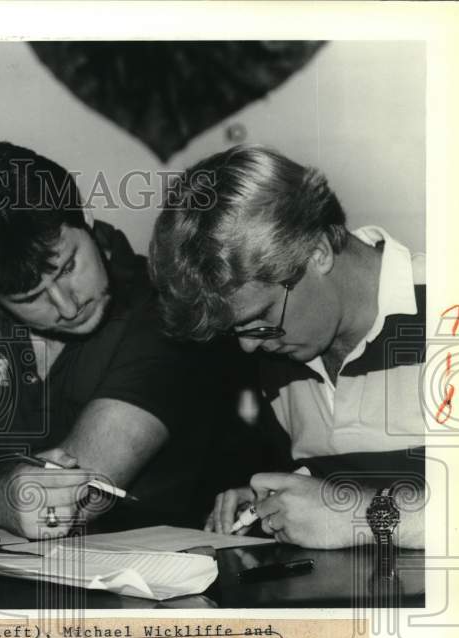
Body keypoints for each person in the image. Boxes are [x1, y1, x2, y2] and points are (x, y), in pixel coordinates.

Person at [0, 141, 225, 538]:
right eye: (31, 298)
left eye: (68, 267)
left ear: (85, 221)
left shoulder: (161, 305)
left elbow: (65, 503)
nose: (67, 306)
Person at [148, 144, 425, 549]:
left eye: (260, 317)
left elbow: (351, 514)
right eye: (235, 330)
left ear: (318, 252)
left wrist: (358, 517)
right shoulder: (287, 348)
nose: (247, 347)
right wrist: (278, 504)